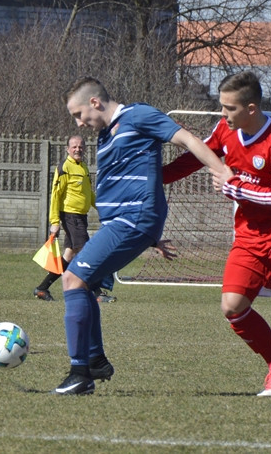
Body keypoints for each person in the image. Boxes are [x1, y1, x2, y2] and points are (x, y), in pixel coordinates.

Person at [162, 71, 271, 396]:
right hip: (249, 232)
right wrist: (159, 177)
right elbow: (196, 158)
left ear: (251, 108)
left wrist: (234, 187)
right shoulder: (225, 131)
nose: (223, 115)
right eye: (222, 107)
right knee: (232, 306)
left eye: (229, 108)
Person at [53, 77, 227, 395]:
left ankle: (80, 373)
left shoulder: (138, 115)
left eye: (79, 114)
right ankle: (95, 361)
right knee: (86, 284)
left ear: (94, 102)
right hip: (125, 224)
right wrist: (151, 236)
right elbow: (136, 178)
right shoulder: (106, 136)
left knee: (71, 279)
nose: (80, 123)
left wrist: (221, 170)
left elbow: (188, 139)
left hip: (132, 221)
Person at [34, 135, 94, 302]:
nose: (78, 149)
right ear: (67, 149)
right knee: (87, 252)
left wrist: (103, 208)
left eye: (81, 146)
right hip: (70, 216)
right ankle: (96, 292)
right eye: (74, 146)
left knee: (69, 255)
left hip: (81, 217)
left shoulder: (83, 167)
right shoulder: (64, 167)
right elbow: (55, 196)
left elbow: (88, 193)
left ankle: (42, 288)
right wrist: (54, 222)